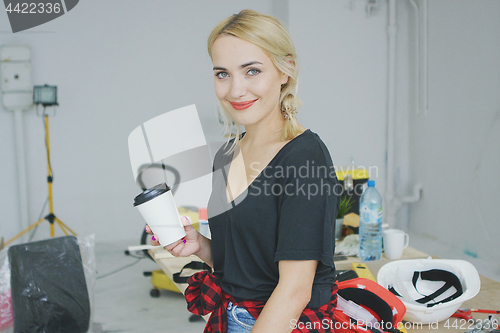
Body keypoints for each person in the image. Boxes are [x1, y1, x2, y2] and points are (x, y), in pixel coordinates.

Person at [146, 9, 340, 333]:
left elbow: (294, 291)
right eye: (223, 74)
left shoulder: (306, 157)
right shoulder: (226, 154)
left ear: (285, 70)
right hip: (230, 316)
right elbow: (242, 264)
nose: (235, 90)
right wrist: (201, 246)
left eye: (252, 71)